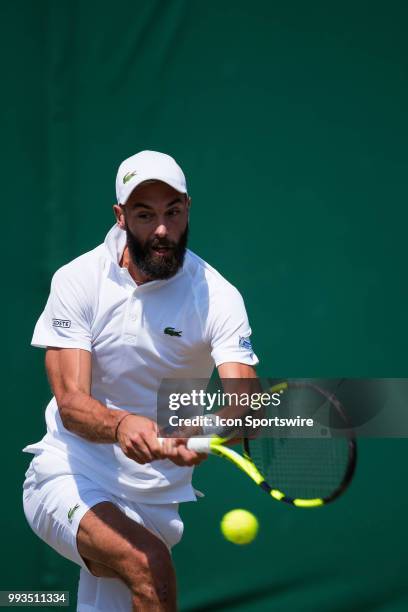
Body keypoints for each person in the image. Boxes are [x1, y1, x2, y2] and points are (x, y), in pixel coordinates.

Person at [22, 150, 259, 612]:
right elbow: (71, 402)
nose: (163, 230)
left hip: (155, 502)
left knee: (146, 578)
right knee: (148, 566)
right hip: (69, 474)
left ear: (188, 207)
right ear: (120, 216)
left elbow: (242, 402)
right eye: (145, 215)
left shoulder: (219, 296)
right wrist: (120, 425)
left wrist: (206, 434)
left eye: (172, 212)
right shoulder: (78, 280)